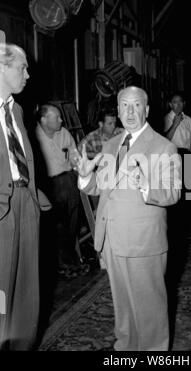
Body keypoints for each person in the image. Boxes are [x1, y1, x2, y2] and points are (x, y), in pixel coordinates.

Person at [72, 86, 181, 351]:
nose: (130, 112)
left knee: (149, 311)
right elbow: (101, 187)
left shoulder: (163, 146)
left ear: (147, 109)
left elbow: (173, 192)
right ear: (118, 110)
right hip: (111, 238)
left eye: (136, 106)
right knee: (123, 307)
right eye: (124, 106)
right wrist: (86, 176)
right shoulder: (112, 144)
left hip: (143, 242)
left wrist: (146, 185)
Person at [0, 43, 50, 350]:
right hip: (1, 210)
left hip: (25, 203)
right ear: (1, 68)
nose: (28, 75)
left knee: (26, 291)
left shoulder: (15, 110)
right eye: (22, 67)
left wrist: (32, 198)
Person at [35, 104, 81, 277]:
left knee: (72, 224)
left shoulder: (64, 133)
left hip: (69, 180)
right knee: (57, 228)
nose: (61, 120)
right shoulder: (34, 136)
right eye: (57, 117)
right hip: (49, 186)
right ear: (44, 120)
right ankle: (63, 265)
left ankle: (71, 261)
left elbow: (75, 155)